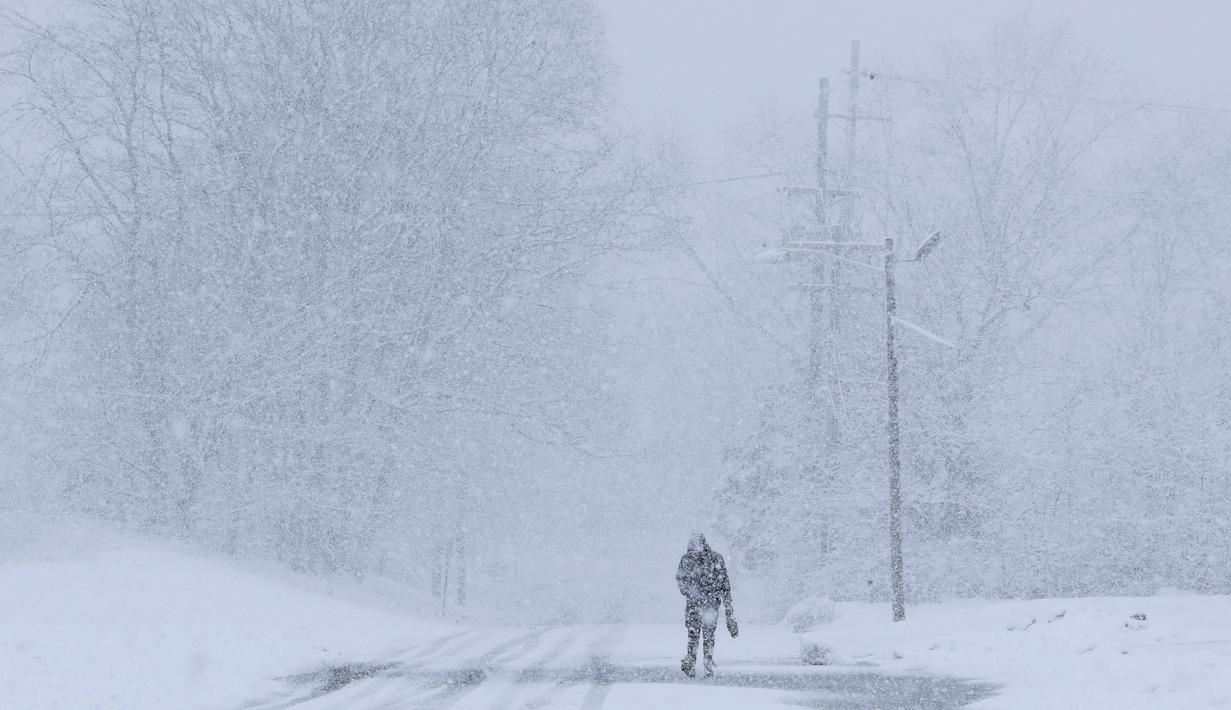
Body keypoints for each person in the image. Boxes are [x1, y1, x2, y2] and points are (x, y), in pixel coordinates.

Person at [675, 532, 738, 677]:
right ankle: (707, 660)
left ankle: (692, 660)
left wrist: (690, 592)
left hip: (695, 604)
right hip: (710, 604)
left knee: (693, 634)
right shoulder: (715, 558)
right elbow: (725, 585)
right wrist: (727, 607)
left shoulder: (687, 559)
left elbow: (680, 579)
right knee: (708, 634)